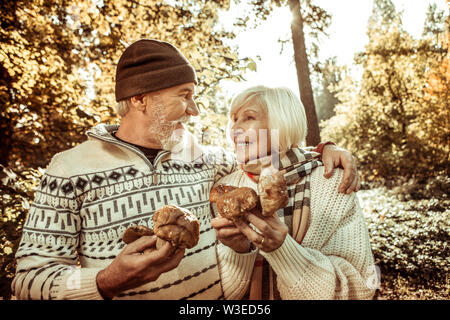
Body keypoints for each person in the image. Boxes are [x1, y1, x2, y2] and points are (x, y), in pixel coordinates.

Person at [12, 39, 360, 300]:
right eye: (185, 95)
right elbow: (27, 279)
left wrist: (325, 149)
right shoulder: (69, 169)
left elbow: (276, 155)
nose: (194, 110)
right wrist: (106, 280)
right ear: (139, 98)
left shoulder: (207, 160)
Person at [212, 85, 376, 300]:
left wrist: (283, 251)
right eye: (234, 119)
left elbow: (360, 289)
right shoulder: (225, 187)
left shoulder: (332, 181)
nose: (235, 129)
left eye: (249, 117)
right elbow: (222, 293)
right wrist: (238, 252)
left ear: (282, 123)